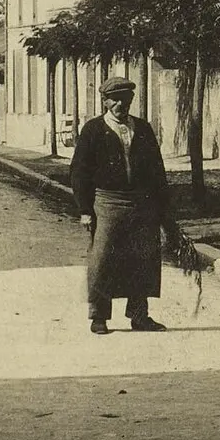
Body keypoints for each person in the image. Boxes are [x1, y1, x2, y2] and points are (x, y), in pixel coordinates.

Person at [68, 73, 170, 334]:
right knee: (102, 259)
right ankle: (99, 317)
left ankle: (139, 316)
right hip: (107, 203)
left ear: (132, 99)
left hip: (141, 202)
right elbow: (79, 172)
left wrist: (161, 208)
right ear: (105, 101)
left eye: (125, 99)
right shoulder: (93, 129)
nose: (121, 105)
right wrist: (84, 210)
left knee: (142, 258)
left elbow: (157, 170)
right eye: (115, 100)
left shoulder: (143, 128)